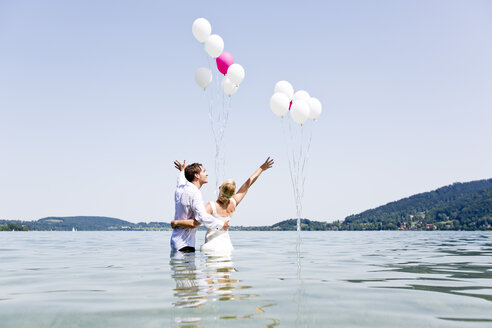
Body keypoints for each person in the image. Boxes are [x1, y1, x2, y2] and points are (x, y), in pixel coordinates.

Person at [172, 157, 274, 253]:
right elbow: (248, 184)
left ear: (220, 188)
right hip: (226, 246)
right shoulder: (233, 203)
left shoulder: (210, 206)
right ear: (233, 193)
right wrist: (261, 168)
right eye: (204, 171)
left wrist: (176, 223)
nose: (207, 174)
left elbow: (197, 222)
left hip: (210, 247)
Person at [170, 160, 229, 253]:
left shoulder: (179, 189)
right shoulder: (195, 193)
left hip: (175, 242)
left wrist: (182, 171)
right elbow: (202, 217)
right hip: (186, 245)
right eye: (204, 171)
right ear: (196, 175)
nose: (207, 174)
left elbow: (180, 181)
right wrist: (221, 225)